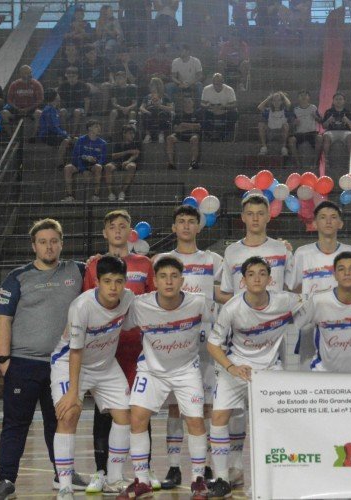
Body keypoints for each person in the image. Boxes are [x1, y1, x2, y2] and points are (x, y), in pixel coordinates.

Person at [0, 219, 86, 500]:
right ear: (34, 246)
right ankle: (5, 480)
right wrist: (4, 360)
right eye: (43, 242)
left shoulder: (77, 271)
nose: (49, 246)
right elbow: (2, 320)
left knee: (58, 423)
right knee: (16, 424)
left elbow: (103, 275)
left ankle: (62, 474)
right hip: (23, 364)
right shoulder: (17, 277)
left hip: (62, 365)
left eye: (54, 241)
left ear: (61, 244)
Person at [205, 257, 305, 498]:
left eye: (262, 273)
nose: (257, 278)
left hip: (270, 370)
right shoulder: (232, 308)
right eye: (251, 274)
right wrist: (232, 368)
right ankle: (221, 479)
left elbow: (309, 308)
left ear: (270, 279)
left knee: (277, 422)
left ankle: (276, 477)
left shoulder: (286, 300)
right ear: (243, 280)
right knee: (218, 416)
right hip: (237, 368)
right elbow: (212, 344)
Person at [115, 256, 211, 499]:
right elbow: (117, 323)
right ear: (155, 280)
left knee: (196, 421)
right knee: (137, 417)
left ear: (182, 280)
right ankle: (142, 481)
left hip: (186, 369)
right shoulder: (139, 305)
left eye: (174, 276)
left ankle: (198, 480)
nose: (169, 281)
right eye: (163, 277)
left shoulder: (199, 304)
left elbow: (218, 329)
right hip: (152, 370)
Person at [155, 204, 231, 490]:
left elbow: (227, 293)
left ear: (200, 227)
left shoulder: (213, 259)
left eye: (191, 222)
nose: (186, 226)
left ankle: (206, 465)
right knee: (176, 409)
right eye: (181, 222)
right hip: (175, 344)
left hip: (207, 343)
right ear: (174, 228)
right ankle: (174, 468)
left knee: (207, 408)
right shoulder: (163, 259)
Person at [81, 210, 156, 494]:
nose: (117, 231)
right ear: (104, 232)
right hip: (105, 351)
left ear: (130, 232)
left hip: (137, 350)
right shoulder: (94, 266)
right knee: (104, 412)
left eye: (123, 226)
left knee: (140, 409)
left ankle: (143, 472)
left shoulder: (145, 263)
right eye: (112, 226)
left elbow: (152, 304)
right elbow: (88, 304)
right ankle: (101, 471)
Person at [50, 256, 133, 498]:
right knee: (69, 414)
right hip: (70, 364)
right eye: (107, 281)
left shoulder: (128, 299)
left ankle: (115, 478)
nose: (113, 287)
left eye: (119, 281)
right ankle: (65, 485)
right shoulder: (81, 307)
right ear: (97, 282)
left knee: (124, 415)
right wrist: (73, 393)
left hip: (106, 365)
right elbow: (75, 352)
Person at [298, 251, 351, 373]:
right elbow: (297, 322)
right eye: (341, 269)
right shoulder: (318, 302)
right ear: (335, 275)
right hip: (324, 375)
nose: (347, 273)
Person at [287, 201, 351, 295]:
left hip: (345, 309)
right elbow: (294, 289)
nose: (328, 221)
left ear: (340, 224)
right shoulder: (302, 253)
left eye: (333, 217)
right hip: (311, 310)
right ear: (314, 224)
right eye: (323, 217)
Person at [63, 120, 108, 202]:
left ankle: (96, 195)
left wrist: (96, 161)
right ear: (90, 128)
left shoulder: (103, 143)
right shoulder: (81, 140)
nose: (99, 128)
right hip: (80, 164)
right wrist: (83, 170)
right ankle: (69, 196)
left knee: (98, 167)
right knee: (67, 168)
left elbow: (103, 159)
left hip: (93, 165)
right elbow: (76, 156)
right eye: (96, 126)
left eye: (99, 126)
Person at [0, 65, 44, 135]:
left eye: (29, 72)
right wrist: (17, 108)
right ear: (20, 74)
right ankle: (10, 136)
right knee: (4, 113)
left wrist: (28, 108)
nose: (28, 75)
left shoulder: (36, 84)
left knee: (39, 113)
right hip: (17, 109)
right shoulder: (14, 84)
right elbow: (9, 100)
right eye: (25, 73)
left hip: (31, 109)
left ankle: (33, 136)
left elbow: (40, 100)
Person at [37, 89, 73, 170]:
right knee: (66, 140)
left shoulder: (54, 109)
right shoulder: (49, 110)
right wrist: (66, 135)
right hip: (47, 135)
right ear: (55, 97)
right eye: (57, 94)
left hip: (53, 133)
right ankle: (60, 163)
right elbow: (53, 127)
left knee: (71, 141)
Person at [287, 89, 322, 167]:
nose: (303, 97)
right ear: (298, 98)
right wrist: (294, 123)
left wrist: (315, 117)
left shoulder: (313, 107)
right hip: (299, 134)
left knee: (319, 138)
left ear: (309, 97)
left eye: (305, 95)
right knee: (291, 140)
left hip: (311, 133)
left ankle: (315, 162)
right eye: (301, 95)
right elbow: (291, 124)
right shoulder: (295, 110)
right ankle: (297, 163)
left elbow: (320, 121)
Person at [105, 125, 140, 201]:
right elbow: (113, 156)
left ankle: (122, 192)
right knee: (108, 166)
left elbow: (136, 154)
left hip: (129, 163)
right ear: (124, 134)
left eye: (133, 133)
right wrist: (127, 152)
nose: (132, 135)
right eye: (130, 133)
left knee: (132, 166)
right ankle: (110, 193)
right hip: (117, 163)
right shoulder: (118, 144)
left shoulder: (136, 143)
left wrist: (128, 161)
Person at [200, 73, 238, 142]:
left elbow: (234, 104)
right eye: (215, 82)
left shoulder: (229, 90)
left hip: (225, 111)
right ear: (213, 82)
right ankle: (210, 134)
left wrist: (224, 107)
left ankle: (221, 135)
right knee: (199, 113)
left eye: (219, 82)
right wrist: (207, 106)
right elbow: (202, 103)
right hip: (211, 111)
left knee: (234, 114)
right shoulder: (206, 89)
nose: (217, 84)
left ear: (222, 81)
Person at [166, 97, 201, 170]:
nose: (187, 104)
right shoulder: (178, 114)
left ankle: (193, 162)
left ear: (193, 103)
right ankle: (171, 163)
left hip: (192, 134)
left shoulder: (197, 113)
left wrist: (183, 125)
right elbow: (176, 129)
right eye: (185, 102)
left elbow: (198, 127)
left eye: (189, 102)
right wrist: (191, 126)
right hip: (180, 135)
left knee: (195, 139)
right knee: (169, 138)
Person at [57, 66, 90, 136]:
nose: (71, 78)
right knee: (62, 111)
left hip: (79, 108)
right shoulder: (63, 85)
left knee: (77, 111)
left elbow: (87, 100)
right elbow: (58, 99)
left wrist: (85, 113)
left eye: (73, 76)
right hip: (67, 108)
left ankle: (73, 134)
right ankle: (65, 133)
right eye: (69, 76)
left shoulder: (83, 85)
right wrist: (58, 109)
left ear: (77, 76)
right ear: (66, 76)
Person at [257, 91, 292, 156]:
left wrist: (282, 95)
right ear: (272, 102)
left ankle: (283, 148)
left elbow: (289, 104)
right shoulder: (268, 111)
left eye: (279, 100)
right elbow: (259, 107)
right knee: (261, 124)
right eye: (274, 100)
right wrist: (269, 98)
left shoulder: (284, 110)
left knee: (286, 125)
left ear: (282, 101)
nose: (276, 102)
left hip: (281, 133)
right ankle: (264, 147)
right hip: (270, 132)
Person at [139, 77, 173, 144]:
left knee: (162, 114)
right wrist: (147, 111)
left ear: (158, 85)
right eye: (150, 84)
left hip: (161, 113)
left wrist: (160, 106)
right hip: (150, 113)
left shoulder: (165, 96)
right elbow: (141, 108)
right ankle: (148, 135)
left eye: (152, 84)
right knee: (145, 114)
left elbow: (171, 108)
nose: (150, 86)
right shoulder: (147, 97)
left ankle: (161, 134)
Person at [321, 92, 351, 158]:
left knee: (350, 136)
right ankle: (326, 160)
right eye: (336, 99)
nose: (338, 101)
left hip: (345, 132)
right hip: (331, 131)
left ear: (344, 101)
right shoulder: (328, 112)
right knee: (326, 136)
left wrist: (347, 120)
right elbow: (324, 126)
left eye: (340, 99)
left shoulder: (348, 112)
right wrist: (329, 120)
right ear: (333, 101)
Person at [107, 70, 138, 139]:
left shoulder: (131, 88)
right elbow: (114, 103)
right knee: (113, 112)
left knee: (132, 113)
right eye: (116, 79)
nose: (117, 80)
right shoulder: (114, 88)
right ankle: (109, 135)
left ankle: (131, 135)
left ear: (125, 78)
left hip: (130, 109)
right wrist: (122, 108)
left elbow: (135, 103)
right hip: (119, 109)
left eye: (120, 78)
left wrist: (128, 108)